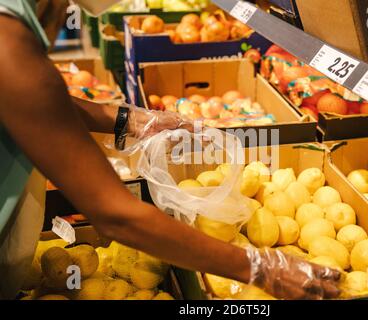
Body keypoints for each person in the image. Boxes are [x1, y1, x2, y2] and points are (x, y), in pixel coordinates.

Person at [0, 0, 341, 300]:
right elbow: (116, 215)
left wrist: (129, 119)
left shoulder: (14, 31)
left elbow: (40, 103)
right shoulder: (9, 42)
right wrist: (261, 268)